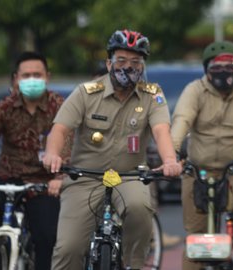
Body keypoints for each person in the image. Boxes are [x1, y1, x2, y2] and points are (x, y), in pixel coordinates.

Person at [42, 29, 182, 270]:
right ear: (108, 63)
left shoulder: (152, 94)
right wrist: (53, 154)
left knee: (140, 207)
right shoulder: (85, 93)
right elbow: (60, 130)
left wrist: (170, 160)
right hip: (85, 177)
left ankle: (133, 265)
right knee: (69, 248)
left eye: (136, 62)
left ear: (143, 65)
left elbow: (161, 131)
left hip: (129, 176)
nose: (128, 67)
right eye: (121, 61)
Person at [0, 51, 69, 270]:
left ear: (47, 77)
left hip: (45, 183)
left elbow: (69, 142)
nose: (32, 80)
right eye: (26, 75)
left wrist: (60, 176)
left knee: (47, 236)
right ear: (16, 78)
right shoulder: (5, 107)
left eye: (37, 74)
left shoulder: (60, 106)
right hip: (9, 176)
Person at [171, 40, 233, 270]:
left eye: (229, 65)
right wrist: (170, 152)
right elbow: (182, 119)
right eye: (217, 66)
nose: (223, 72)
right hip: (197, 168)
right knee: (195, 239)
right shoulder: (194, 89)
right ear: (207, 70)